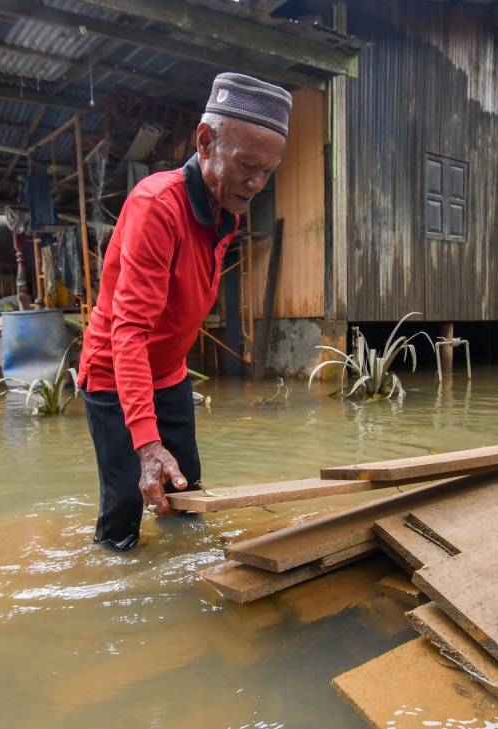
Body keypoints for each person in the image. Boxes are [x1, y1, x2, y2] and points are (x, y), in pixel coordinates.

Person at [78, 73, 291, 551]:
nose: (256, 183)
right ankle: (120, 593)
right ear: (205, 141)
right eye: (247, 166)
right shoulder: (157, 205)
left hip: (169, 373)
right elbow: (128, 331)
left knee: (186, 490)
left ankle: (188, 579)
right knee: (126, 507)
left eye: (268, 173)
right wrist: (147, 443)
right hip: (115, 374)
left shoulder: (227, 211)